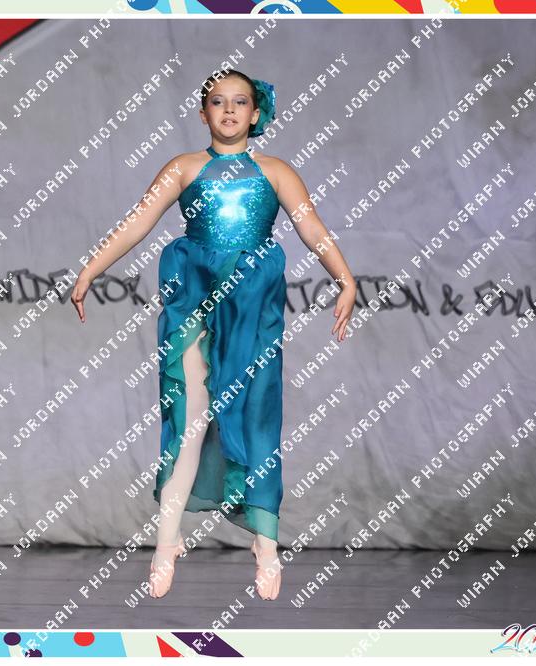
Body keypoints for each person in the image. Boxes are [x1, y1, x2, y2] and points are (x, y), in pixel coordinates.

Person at [71, 70, 356, 602]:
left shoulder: (276, 172)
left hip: (251, 307)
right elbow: (138, 221)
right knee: (189, 420)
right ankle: (165, 543)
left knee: (255, 417)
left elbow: (311, 226)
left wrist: (345, 278)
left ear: (256, 112)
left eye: (239, 102)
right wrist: (90, 270)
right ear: (203, 113)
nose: (228, 110)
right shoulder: (184, 168)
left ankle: (266, 546)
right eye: (218, 102)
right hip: (195, 298)